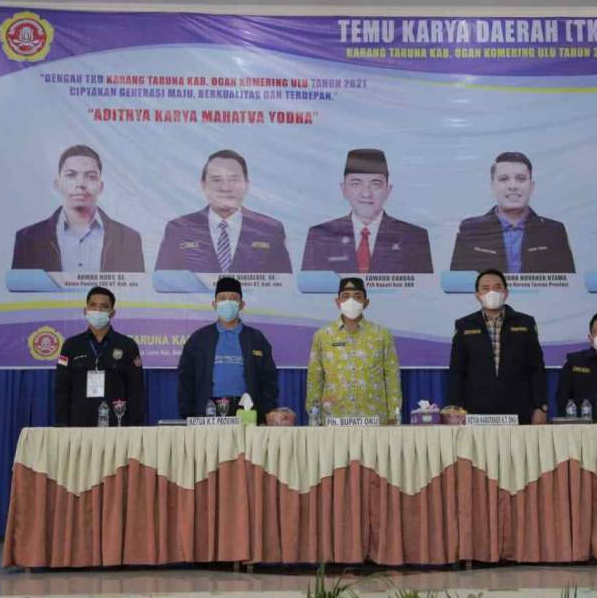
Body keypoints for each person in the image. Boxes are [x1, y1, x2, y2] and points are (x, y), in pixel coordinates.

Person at [155, 150, 292, 273]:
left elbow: (284, 285)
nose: (225, 187)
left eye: (234, 179)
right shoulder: (178, 229)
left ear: (246, 185)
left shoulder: (270, 229)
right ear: (203, 185)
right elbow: (163, 283)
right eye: (216, 180)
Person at [12, 145, 144, 272]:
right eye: (71, 175)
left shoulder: (129, 239)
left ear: (101, 186)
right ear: (57, 184)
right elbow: (20, 287)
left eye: (91, 177)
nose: (80, 184)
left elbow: (136, 287)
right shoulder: (27, 238)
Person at [301, 149, 433, 273]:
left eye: (375, 184)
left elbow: (426, 288)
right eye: (356, 184)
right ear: (343, 189)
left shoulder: (414, 238)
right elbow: (308, 287)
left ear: (388, 190)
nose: (366, 193)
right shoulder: (320, 236)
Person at [446, 269, 548, 424]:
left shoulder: (525, 323)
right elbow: (456, 372)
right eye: (485, 288)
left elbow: (536, 369)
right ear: (477, 295)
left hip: (519, 410)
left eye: (497, 287)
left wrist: (541, 407)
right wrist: (455, 408)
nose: (492, 292)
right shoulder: (464, 325)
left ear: (506, 293)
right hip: (475, 412)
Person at [450, 152, 575, 273]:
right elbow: (457, 284)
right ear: (492, 186)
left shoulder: (554, 232)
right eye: (504, 179)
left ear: (532, 186)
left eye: (521, 179)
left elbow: (568, 284)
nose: (513, 186)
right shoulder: (471, 230)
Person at [177, 277, 279, 422]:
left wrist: (265, 413)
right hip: (207, 414)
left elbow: (269, 380)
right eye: (222, 298)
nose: (228, 302)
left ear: (241, 305)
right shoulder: (198, 339)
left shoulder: (256, 339)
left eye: (233, 298)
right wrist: (187, 414)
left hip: (247, 414)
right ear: (214, 304)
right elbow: (185, 380)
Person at [306, 277, 401, 422]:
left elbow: (392, 377)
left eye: (357, 296)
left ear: (366, 302)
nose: (351, 301)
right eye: (345, 296)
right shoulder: (323, 336)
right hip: (333, 418)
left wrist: (394, 416)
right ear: (337, 302)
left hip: (374, 418)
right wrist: (314, 417)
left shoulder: (381, 335)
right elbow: (314, 378)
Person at [54, 286, 145, 426]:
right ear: (85, 311)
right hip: (78, 426)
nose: (98, 310)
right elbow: (62, 390)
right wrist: (61, 426)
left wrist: (135, 428)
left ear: (112, 313)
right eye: (93, 305)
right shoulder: (70, 346)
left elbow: (136, 392)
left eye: (104, 306)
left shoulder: (127, 345)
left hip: (117, 425)